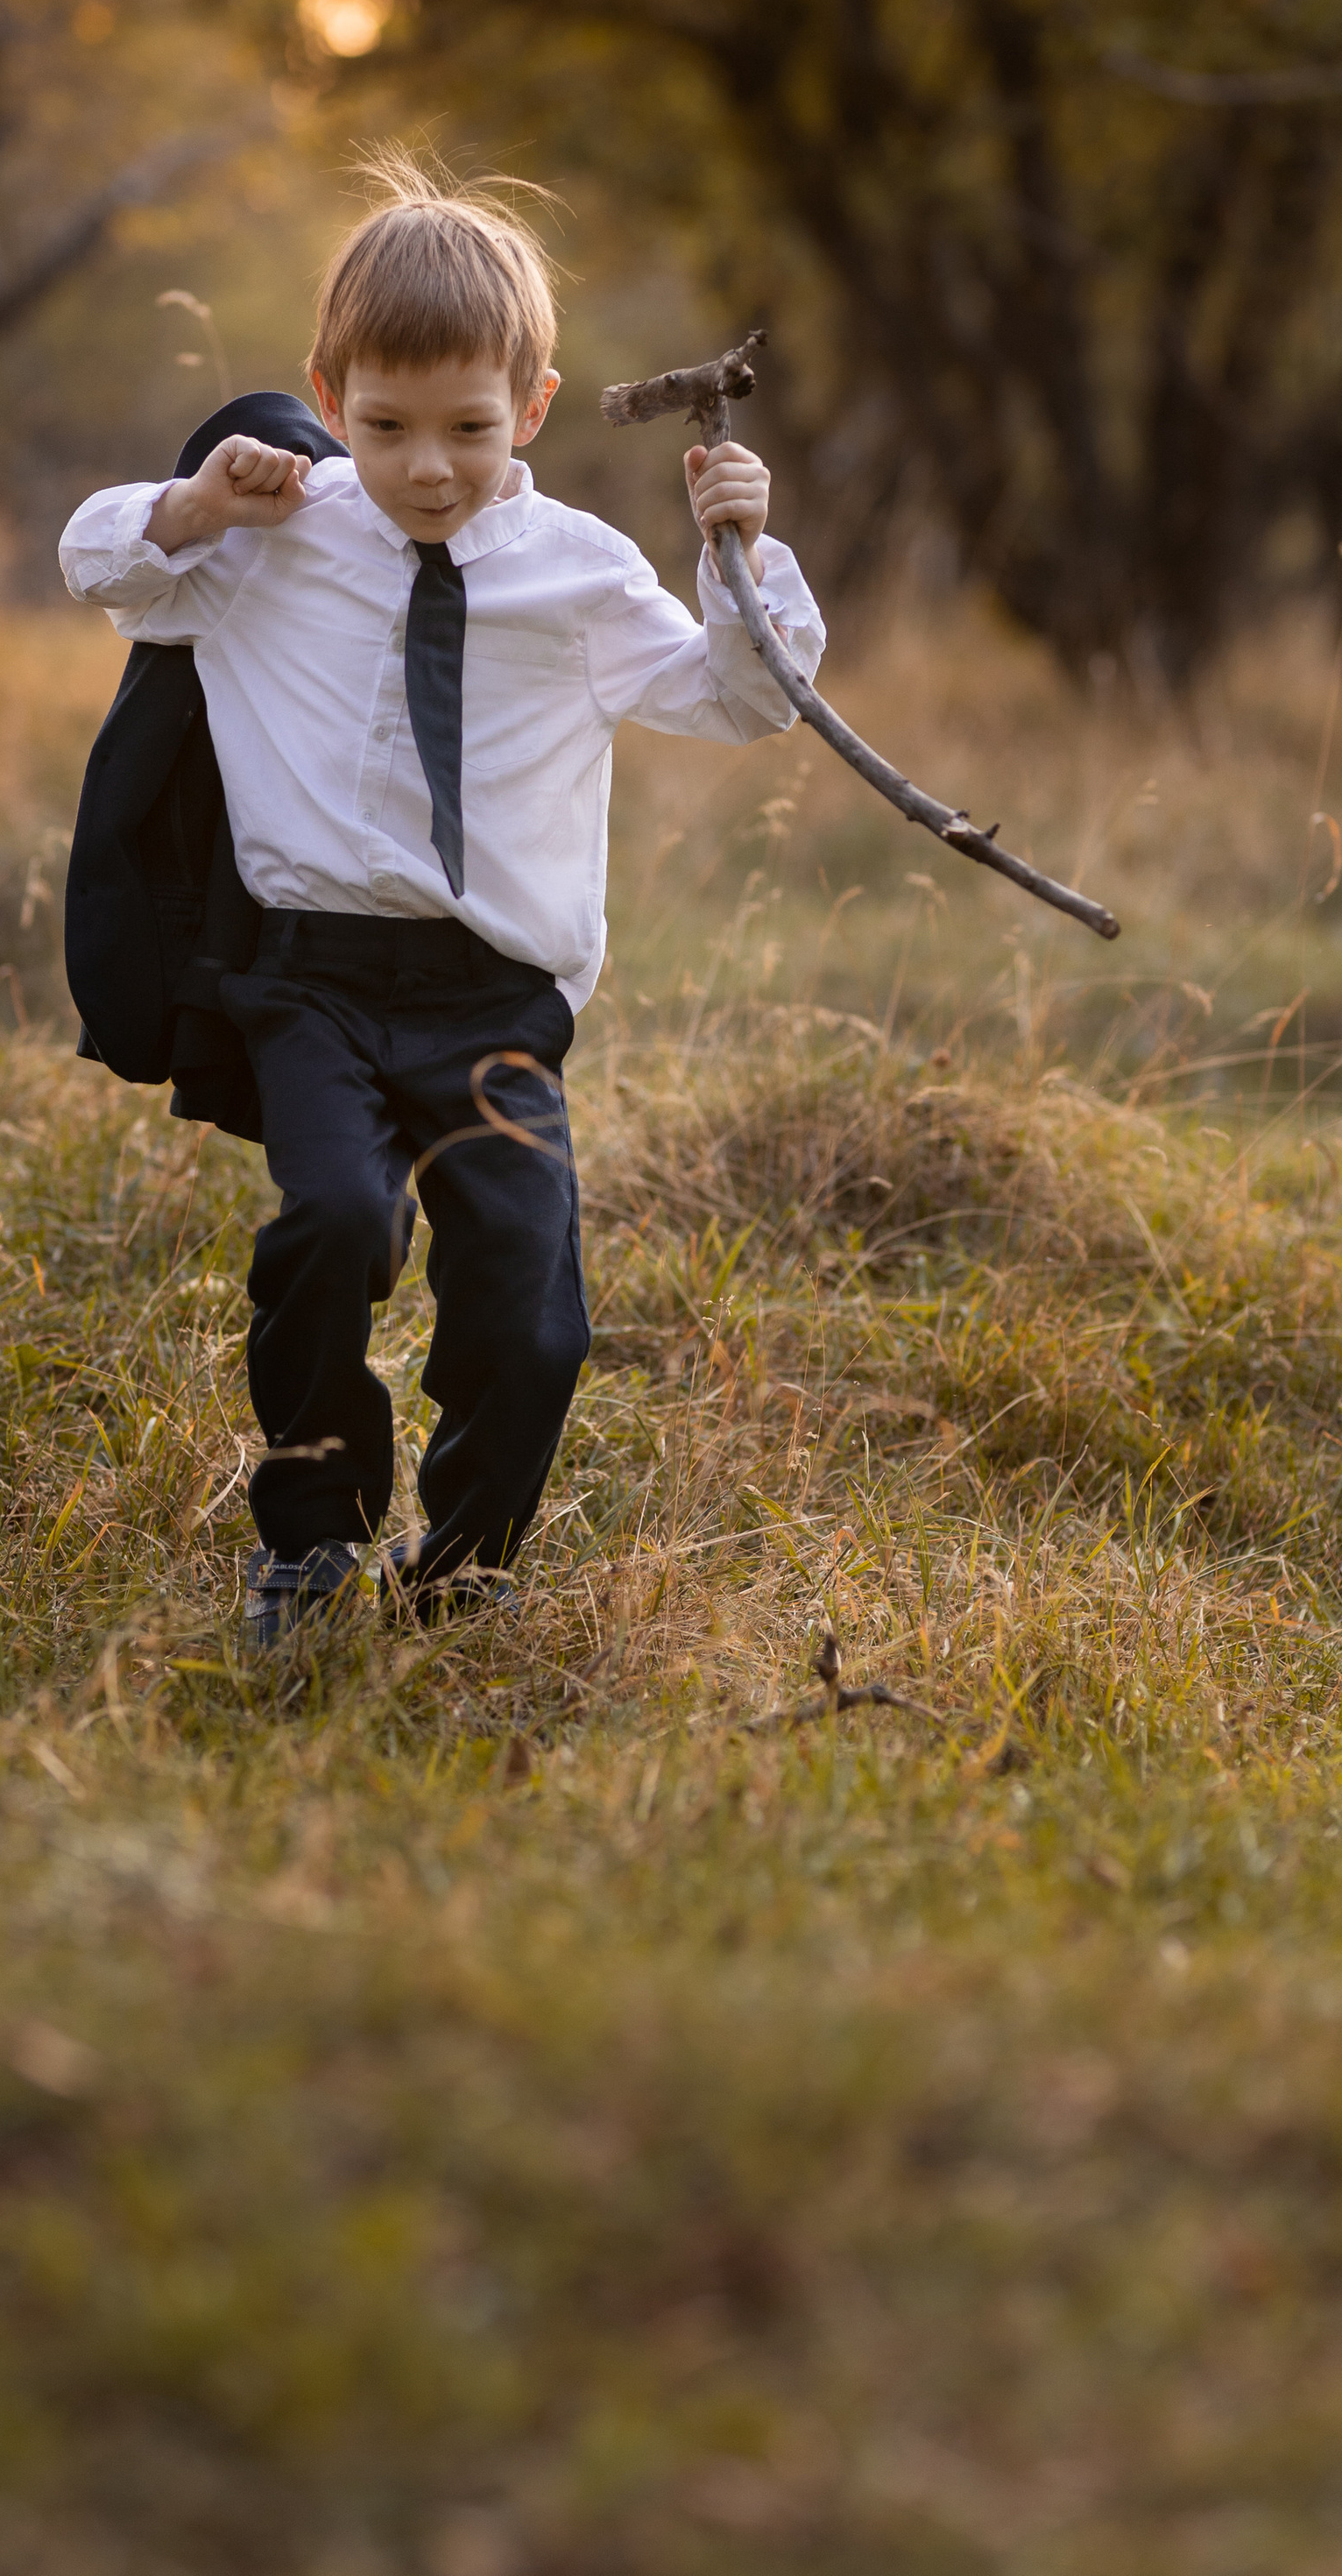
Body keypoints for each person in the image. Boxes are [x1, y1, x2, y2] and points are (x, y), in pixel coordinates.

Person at [58, 159, 824, 1646]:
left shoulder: (579, 575)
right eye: (386, 427)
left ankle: (463, 1568)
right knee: (335, 1223)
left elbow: (744, 700)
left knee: (531, 1306)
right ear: (328, 397)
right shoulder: (274, 540)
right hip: (313, 981)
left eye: (468, 429)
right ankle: (311, 1546)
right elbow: (102, 566)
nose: (425, 468)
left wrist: (740, 557)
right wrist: (198, 503)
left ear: (532, 406)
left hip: (495, 998)